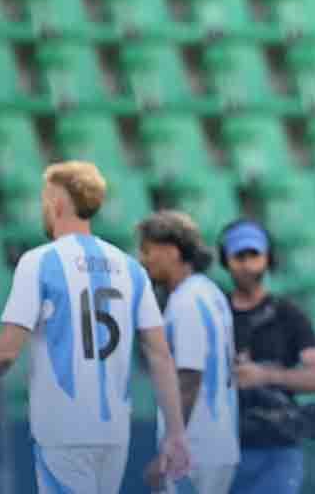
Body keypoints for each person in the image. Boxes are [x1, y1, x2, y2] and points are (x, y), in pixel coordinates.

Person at [0, 161, 190, 493]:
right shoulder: (130, 268)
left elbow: (6, 351)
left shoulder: (39, 262)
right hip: (114, 432)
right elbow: (160, 356)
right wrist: (176, 432)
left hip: (64, 428)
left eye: (44, 201)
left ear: (57, 204)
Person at [219, 219, 315, 494]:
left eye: (254, 255)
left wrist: (264, 376)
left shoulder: (287, 314)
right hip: (221, 444)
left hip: (275, 447)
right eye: (239, 256)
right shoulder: (215, 310)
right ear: (226, 260)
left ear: (268, 258)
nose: (247, 264)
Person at [137, 211, 240, 493]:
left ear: (171, 251)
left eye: (148, 251)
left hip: (194, 454)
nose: (143, 260)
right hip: (218, 445)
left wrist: (171, 446)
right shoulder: (211, 293)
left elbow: (189, 379)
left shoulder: (187, 303)